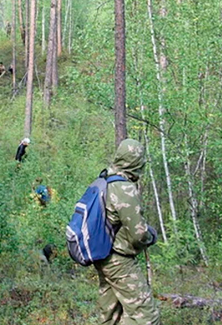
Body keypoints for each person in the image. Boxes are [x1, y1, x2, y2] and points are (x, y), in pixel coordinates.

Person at [93, 138, 160, 325]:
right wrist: (150, 235)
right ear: (136, 163)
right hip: (119, 261)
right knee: (146, 315)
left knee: (109, 315)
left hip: (102, 256)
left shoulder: (104, 179)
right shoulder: (124, 188)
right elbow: (139, 234)